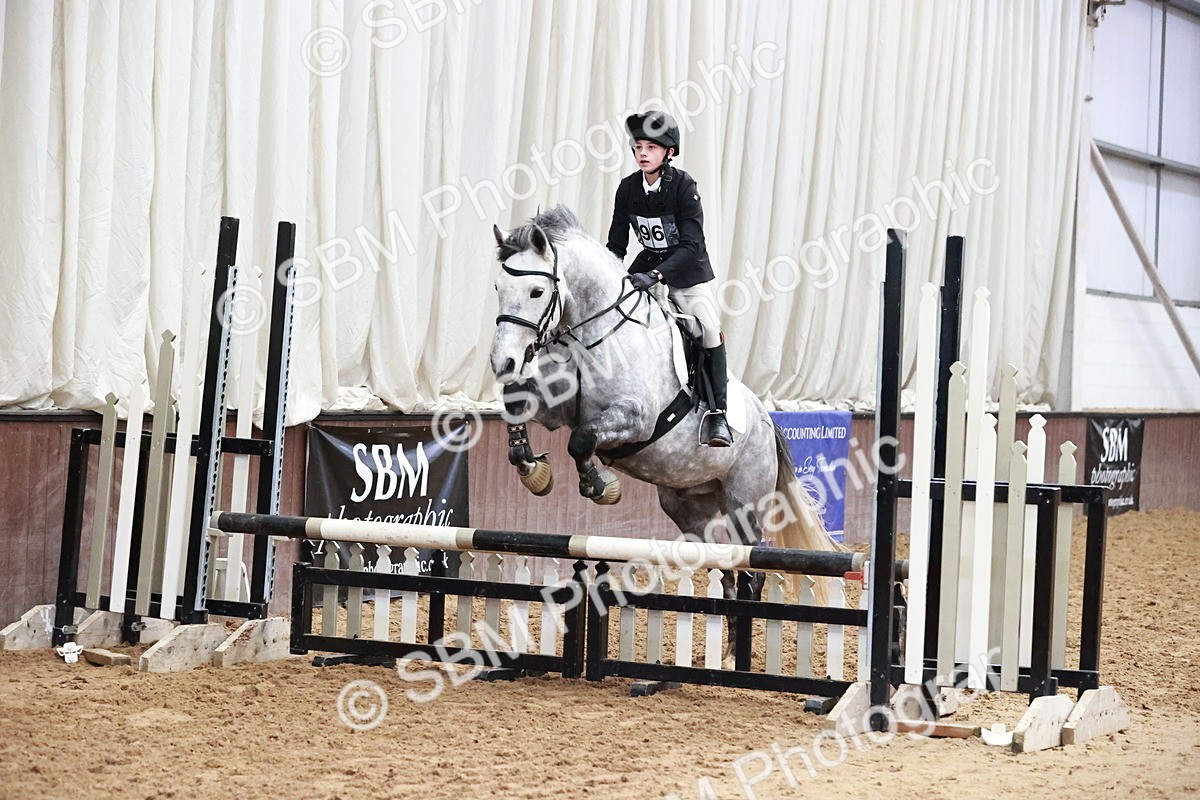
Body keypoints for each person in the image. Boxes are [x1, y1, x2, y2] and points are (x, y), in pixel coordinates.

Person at [606, 110, 732, 447]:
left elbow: (691, 245)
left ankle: (719, 415)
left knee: (707, 327)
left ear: (669, 153)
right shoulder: (627, 188)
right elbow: (617, 244)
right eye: (638, 147)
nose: (643, 153)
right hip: (647, 265)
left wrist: (658, 275)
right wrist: (611, 276)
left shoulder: (684, 187)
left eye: (651, 147)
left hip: (686, 272)